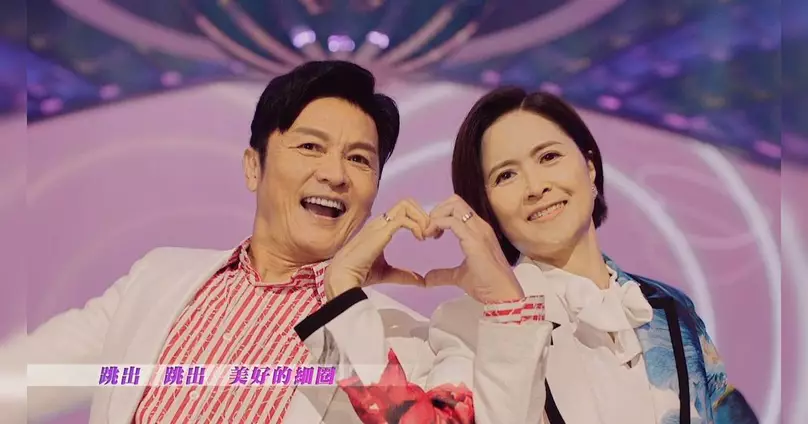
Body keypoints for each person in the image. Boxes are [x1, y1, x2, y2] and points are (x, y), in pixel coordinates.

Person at [0, 60, 442, 424]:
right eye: (310, 147)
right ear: (253, 167)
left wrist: (343, 293)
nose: (335, 174)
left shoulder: (401, 338)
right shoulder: (157, 279)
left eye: (359, 159)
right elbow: (22, 379)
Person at [339, 88, 760, 424]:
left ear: (589, 167)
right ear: (486, 208)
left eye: (549, 157)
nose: (536, 186)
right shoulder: (475, 321)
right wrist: (342, 294)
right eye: (506, 175)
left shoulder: (669, 307)